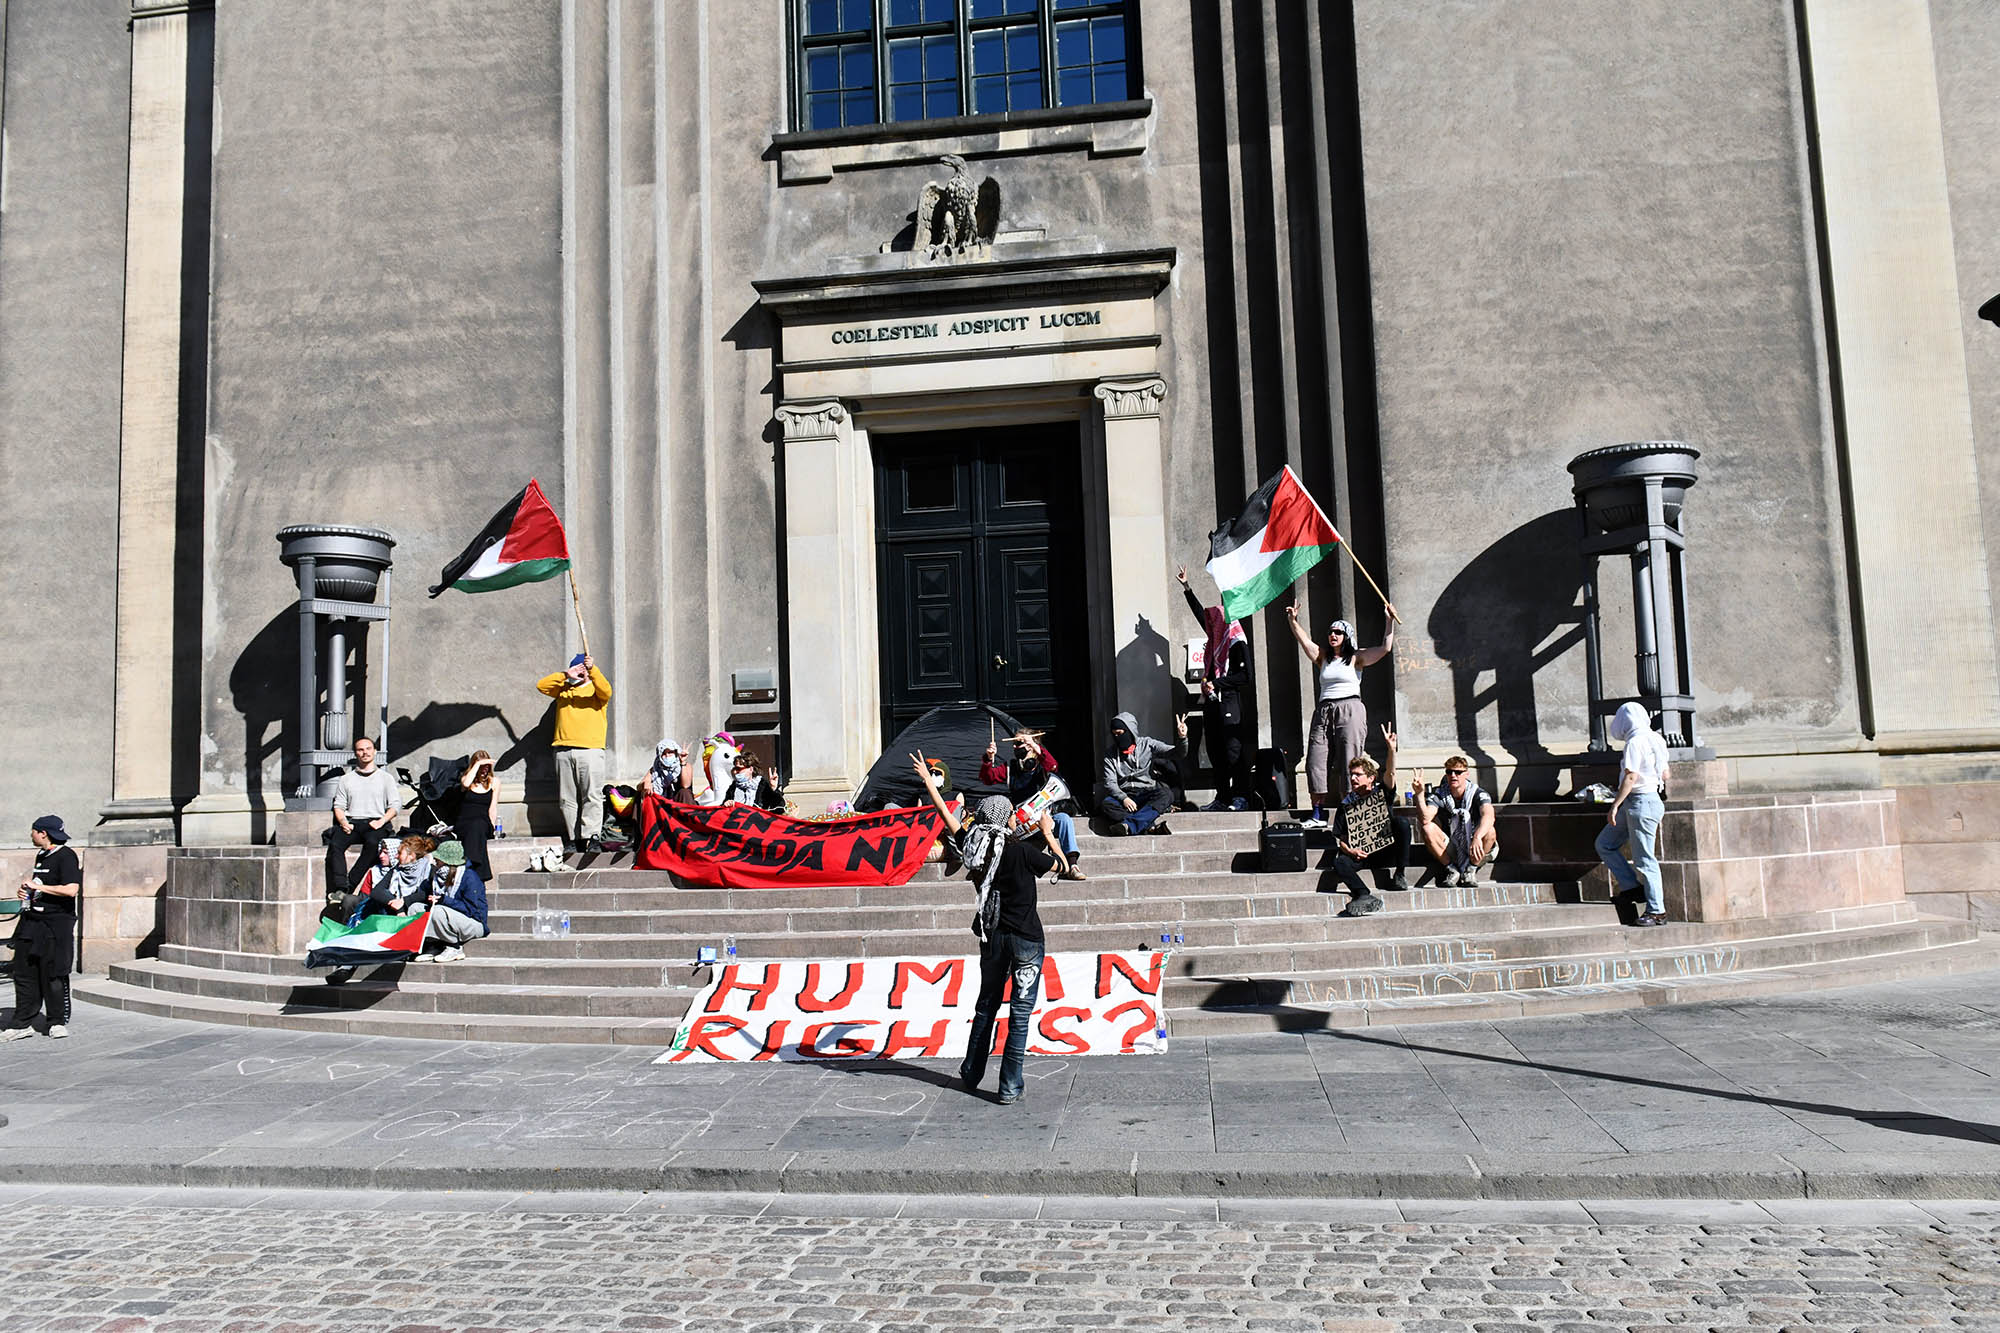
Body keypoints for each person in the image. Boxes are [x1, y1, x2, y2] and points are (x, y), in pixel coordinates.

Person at [910, 751, 1063, 1106]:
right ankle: (1009, 1087)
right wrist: (1049, 834)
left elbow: (946, 816)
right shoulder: (1024, 852)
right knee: (1020, 1015)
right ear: (1007, 819)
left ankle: (972, 1072)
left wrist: (927, 784)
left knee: (986, 1007)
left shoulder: (973, 845)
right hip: (1026, 939)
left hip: (992, 938)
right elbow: (1062, 867)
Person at [1285, 600, 1396, 830]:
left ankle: (1350, 813)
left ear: (1346, 636)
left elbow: (1385, 648)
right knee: (1316, 758)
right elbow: (1304, 641)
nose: (1333, 635)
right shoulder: (1323, 657)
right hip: (1325, 709)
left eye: (1338, 632)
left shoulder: (1357, 658)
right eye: (1330, 632)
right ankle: (1318, 813)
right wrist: (1293, 620)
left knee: (1350, 759)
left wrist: (1389, 621)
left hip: (1350, 708)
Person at [1177, 565, 1253, 811]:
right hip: (1210, 701)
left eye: (1213, 621)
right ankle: (1222, 797)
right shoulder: (1214, 642)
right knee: (1215, 752)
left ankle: (1240, 796)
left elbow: (1245, 676)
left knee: (1233, 751)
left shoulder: (1236, 643)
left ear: (1223, 621)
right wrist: (1187, 587)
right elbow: (1201, 615)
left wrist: (1217, 683)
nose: (1209, 625)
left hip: (1228, 699)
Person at [5, 815, 81, 1040]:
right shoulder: (42, 855)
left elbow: (70, 890)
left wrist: (42, 887)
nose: (31, 835)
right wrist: (28, 893)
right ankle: (22, 1023)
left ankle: (56, 1021)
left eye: (33, 831)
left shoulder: (66, 856)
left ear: (42, 833)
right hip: (33, 923)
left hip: (55, 925)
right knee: (24, 971)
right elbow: (43, 888)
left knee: (53, 973)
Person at [1325, 724, 1413, 914]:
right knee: (1340, 862)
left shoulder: (1382, 792)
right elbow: (1339, 837)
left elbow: (1390, 773)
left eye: (1358, 775)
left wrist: (1391, 749)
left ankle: (1400, 874)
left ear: (1371, 777)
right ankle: (1363, 894)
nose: (1353, 779)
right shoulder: (1346, 803)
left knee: (1402, 824)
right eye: (1352, 775)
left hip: (1386, 849)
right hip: (1362, 854)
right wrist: (1351, 850)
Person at [1597, 701, 1670, 926]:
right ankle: (1632, 888)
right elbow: (1666, 774)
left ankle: (1657, 910)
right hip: (1648, 800)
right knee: (1605, 843)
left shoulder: (1634, 742)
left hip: (1640, 802)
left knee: (1645, 859)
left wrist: (1615, 804)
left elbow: (1631, 777)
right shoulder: (1657, 739)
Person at [981, 729, 1085, 880]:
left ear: (1030, 746)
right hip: (1020, 821)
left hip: (1043, 818)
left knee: (1064, 819)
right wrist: (988, 759)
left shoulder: (1042, 764)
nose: (1016, 748)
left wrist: (1036, 747)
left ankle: (1072, 864)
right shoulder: (1010, 767)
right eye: (1014, 744)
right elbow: (987, 779)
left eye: (1019, 743)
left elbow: (1053, 767)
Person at [537, 652, 613, 852]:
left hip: (590, 749)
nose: (579, 674)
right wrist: (565, 674)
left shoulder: (596, 692)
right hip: (563, 749)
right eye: (576, 670)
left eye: (582, 670)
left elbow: (607, 690)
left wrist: (593, 670)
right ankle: (572, 838)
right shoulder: (563, 690)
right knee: (566, 798)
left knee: (592, 795)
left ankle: (592, 836)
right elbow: (541, 685)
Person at [325, 736, 398, 893]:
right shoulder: (346, 779)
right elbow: (338, 805)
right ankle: (339, 887)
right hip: (353, 823)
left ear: (375, 751)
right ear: (356, 754)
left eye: (368, 748)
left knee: (373, 844)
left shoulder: (386, 778)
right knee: (336, 844)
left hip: (376, 822)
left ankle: (349, 886)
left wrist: (381, 821)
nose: (365, 752)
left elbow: (395, 806)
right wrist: (343, 822)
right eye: (360, 750)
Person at [1097, 711, 1187, 837]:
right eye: (1114, 734)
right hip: (1125, 796)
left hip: (1147, 793)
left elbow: (1177, 754)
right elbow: (1110, 782)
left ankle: (1131, 825)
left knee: (1166, 794)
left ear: (1130, 731)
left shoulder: (1147, 744)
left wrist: (1182, 738)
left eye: (1120, 734)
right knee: (1107, 804)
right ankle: (1148, 826)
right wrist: (1124, 798)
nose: (1117, 738)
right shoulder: (1110, 754)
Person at [1416, 754, 1497, 888]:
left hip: (1475, 845)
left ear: (1466, 774)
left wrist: (1477, 837)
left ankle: (1471, 869)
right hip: (1450, 845)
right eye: (1449, 772)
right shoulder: (1439, 794)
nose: (1453, 775)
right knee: (1427, 828)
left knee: (1490, 831)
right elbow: (1425, 818)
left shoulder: (1478, 793)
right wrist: (1419, 794)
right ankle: (1452, 869)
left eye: (1458, 772)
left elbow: (1489, 816)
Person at [421, 839, 489, 962]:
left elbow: (471, 910)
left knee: (437, 911)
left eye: (438, 859)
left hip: (475, 923)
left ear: (447, 861)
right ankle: (433, 945)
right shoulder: (438, 876)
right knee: (416, 908)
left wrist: (444, 900)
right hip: (453, 917)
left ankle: (454, 946)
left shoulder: (469, 877)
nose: (435, 861)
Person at [447, 749, 497, 882]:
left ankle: (470, 863)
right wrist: (477, 765)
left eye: (487, 766)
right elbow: (465, 784)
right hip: (465, 821)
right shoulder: (466, 779)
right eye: (482, 766)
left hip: (483, 822)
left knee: (478, 825)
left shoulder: (494, 782)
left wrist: (493, 827)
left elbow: (493, 807)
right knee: (474, 827)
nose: (484, 769)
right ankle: (480, 873)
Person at [367, 833, 436, 915]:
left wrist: (404, 901)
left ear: (411, 855)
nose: (396, 856)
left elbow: (428, 893)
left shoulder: (428, 869)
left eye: (399, 853)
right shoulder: (397, 869)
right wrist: (398, 907)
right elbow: (377, 891)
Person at [647, 737, 695, 803]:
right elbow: (641, 784)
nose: (667, 756)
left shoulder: (686, 766)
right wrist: (647, 784)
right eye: (664, 753)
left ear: (676, 753)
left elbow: (686, 785)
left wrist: (683, 762)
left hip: (681, 803)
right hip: (664, 803)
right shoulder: (656, 768)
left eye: (670, 752)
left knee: (684, 792)